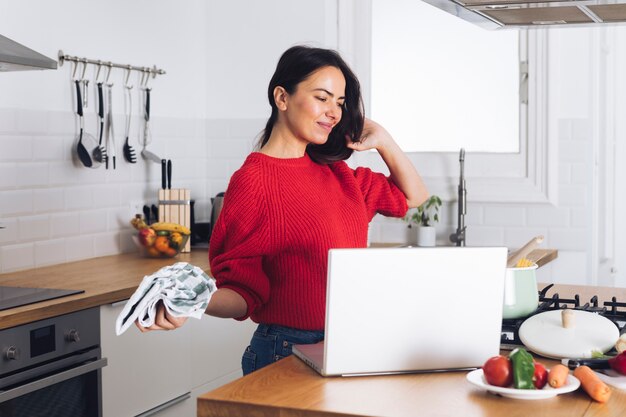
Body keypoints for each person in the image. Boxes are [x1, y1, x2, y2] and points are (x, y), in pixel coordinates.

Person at [137, 45, 428, 375]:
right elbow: (243, 292)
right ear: (282, 97)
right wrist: (191, 301)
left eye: (340, 103)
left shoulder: (339, 174)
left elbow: (413, 196)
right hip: (286, 352)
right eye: (322, 97)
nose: (334, 112)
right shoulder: (254, 181)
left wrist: (385, 140)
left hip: (346, 345)